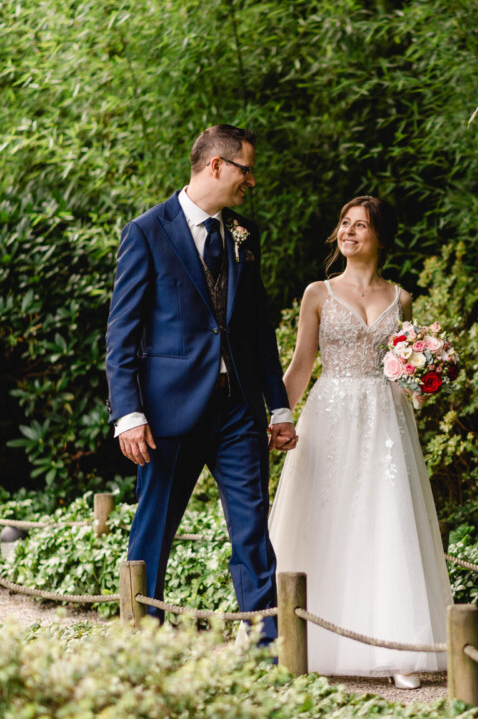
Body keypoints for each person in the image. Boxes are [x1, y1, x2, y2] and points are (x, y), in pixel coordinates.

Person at [105, 125, 297, 646]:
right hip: (168, 414)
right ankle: (143, 642)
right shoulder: (147, 231)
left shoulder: (245, 235)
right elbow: (122, 332)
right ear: (216, 165)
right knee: (154, 530)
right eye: (246, 170)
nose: (251, 181)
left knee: (252, 530)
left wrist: (278, 407)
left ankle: (265, 647)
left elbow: (256, 328)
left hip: (239, 411)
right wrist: (128, 414)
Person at [268, 196, 452, 687]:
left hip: (387, 420)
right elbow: (301, 364)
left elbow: (404, 368)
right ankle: (303, 641)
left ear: (381, 237)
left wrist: (425, 376)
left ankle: (397, 652)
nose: (348, 232)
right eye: (344, 223)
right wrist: (279, 417)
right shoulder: (318, 293)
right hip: (331, 414)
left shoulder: (401, 299)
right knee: (326, 518)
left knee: (385, 520)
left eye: (361, 225)